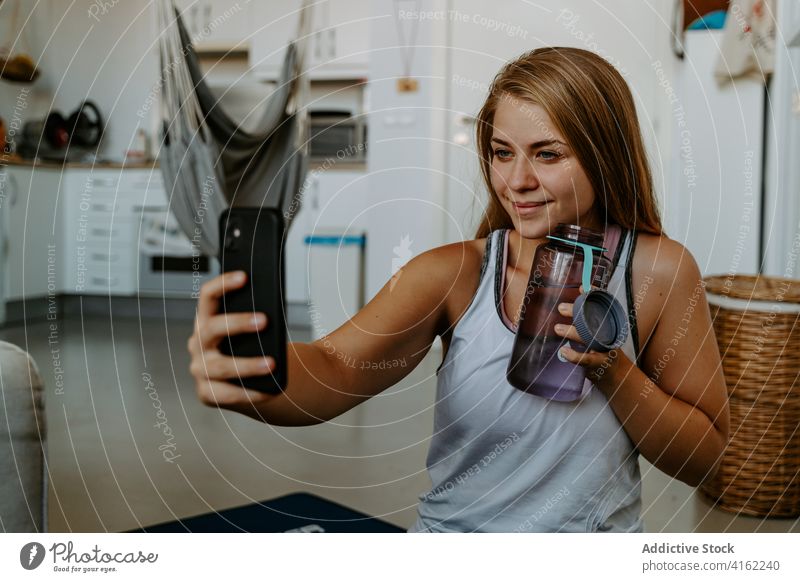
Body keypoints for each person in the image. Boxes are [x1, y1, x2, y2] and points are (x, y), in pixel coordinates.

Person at [187, 47, 729, 532]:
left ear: (604, 156)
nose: (515, 181)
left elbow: (703, 459)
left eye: (547, 154)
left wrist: (613, 371)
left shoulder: (659, 272)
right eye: (501, 152)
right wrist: (257, 370)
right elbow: (337, 367)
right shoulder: (453, 275)